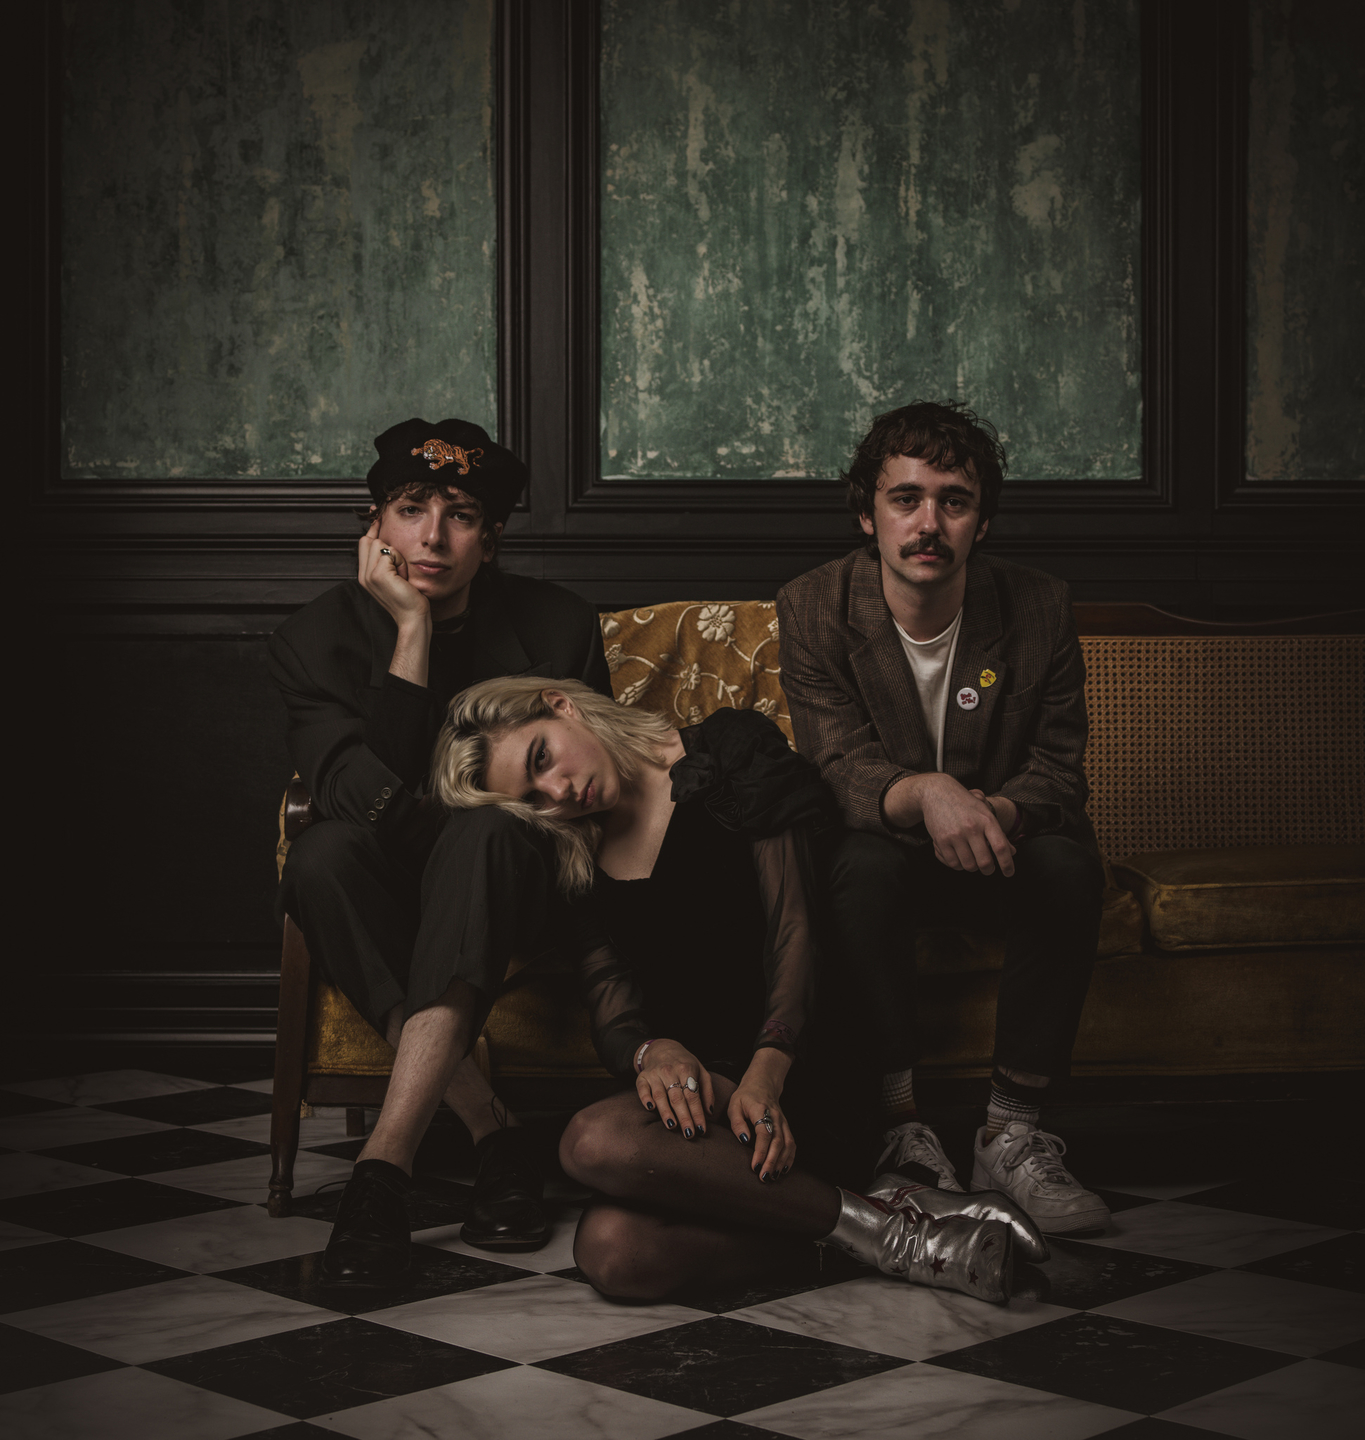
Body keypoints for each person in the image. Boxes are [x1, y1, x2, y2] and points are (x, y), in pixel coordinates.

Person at [430, 677, 1049, 1304]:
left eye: (542, 757)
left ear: (560, 706)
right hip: (702, 1095)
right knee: (614, 1254)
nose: (558, 792)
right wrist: (652, 1052)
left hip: (798, 1066)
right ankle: (890, 1230)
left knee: (589, 1141)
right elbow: (608, 992)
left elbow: (795, 929)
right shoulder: (575, 852)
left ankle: (884, 1228)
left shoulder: (729, 749)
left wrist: (767, 1070)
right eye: (534, 799)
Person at [268, 417, 611, 1282]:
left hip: (518, 881)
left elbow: (579, 807)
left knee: (486, 829)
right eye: (409, 508)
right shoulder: (315, 640)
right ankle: (496, 1134)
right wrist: (410, 636)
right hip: (399, 887)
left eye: (458, 514)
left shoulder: (558, 627)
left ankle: (381, 1174)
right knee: (319, 859)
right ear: (373, 526)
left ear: (489, 539)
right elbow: (365, 798)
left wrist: (449, 821)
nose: (431, 535)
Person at [777, 400, 1110, 1235]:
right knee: (854, 862)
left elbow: (1058, 768)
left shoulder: (1036, 605)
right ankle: (901, 1129)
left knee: (1070, 860)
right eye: (906, 498)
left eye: (952, 501)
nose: (928, 523)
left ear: (981, 520)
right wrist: (928, 793)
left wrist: (988, 809)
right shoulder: (814, 605)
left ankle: (1011, 1133)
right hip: (884, 850)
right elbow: (838, 761)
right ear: (868, 514)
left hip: (1001, 846)